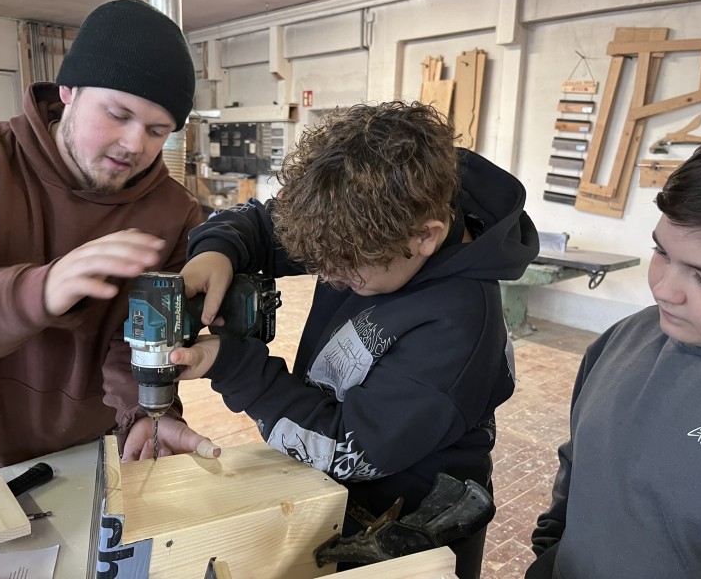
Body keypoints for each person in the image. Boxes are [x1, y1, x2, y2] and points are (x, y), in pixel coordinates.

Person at [170, 101, 539, 578]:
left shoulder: (459, 327)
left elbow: (348, 448)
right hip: (340, 489)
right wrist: (218, 250)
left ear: (426, 237)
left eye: (347, 270)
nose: (329, 277)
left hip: (412, 529)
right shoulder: (362, 217)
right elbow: (266, 224)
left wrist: (236, 367)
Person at [0, 0, 216, 470]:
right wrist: (42, 288)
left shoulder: (174, 214)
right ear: (68, 90)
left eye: (156, 130)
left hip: (91, 451)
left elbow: (141, 343)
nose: (134, 145)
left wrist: (148, 413)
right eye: (118, 114)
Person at [527, 129, 701, 578]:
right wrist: (550, 554)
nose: (662, 290)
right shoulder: (625, 338)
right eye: (661, 252)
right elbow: (578, 464)